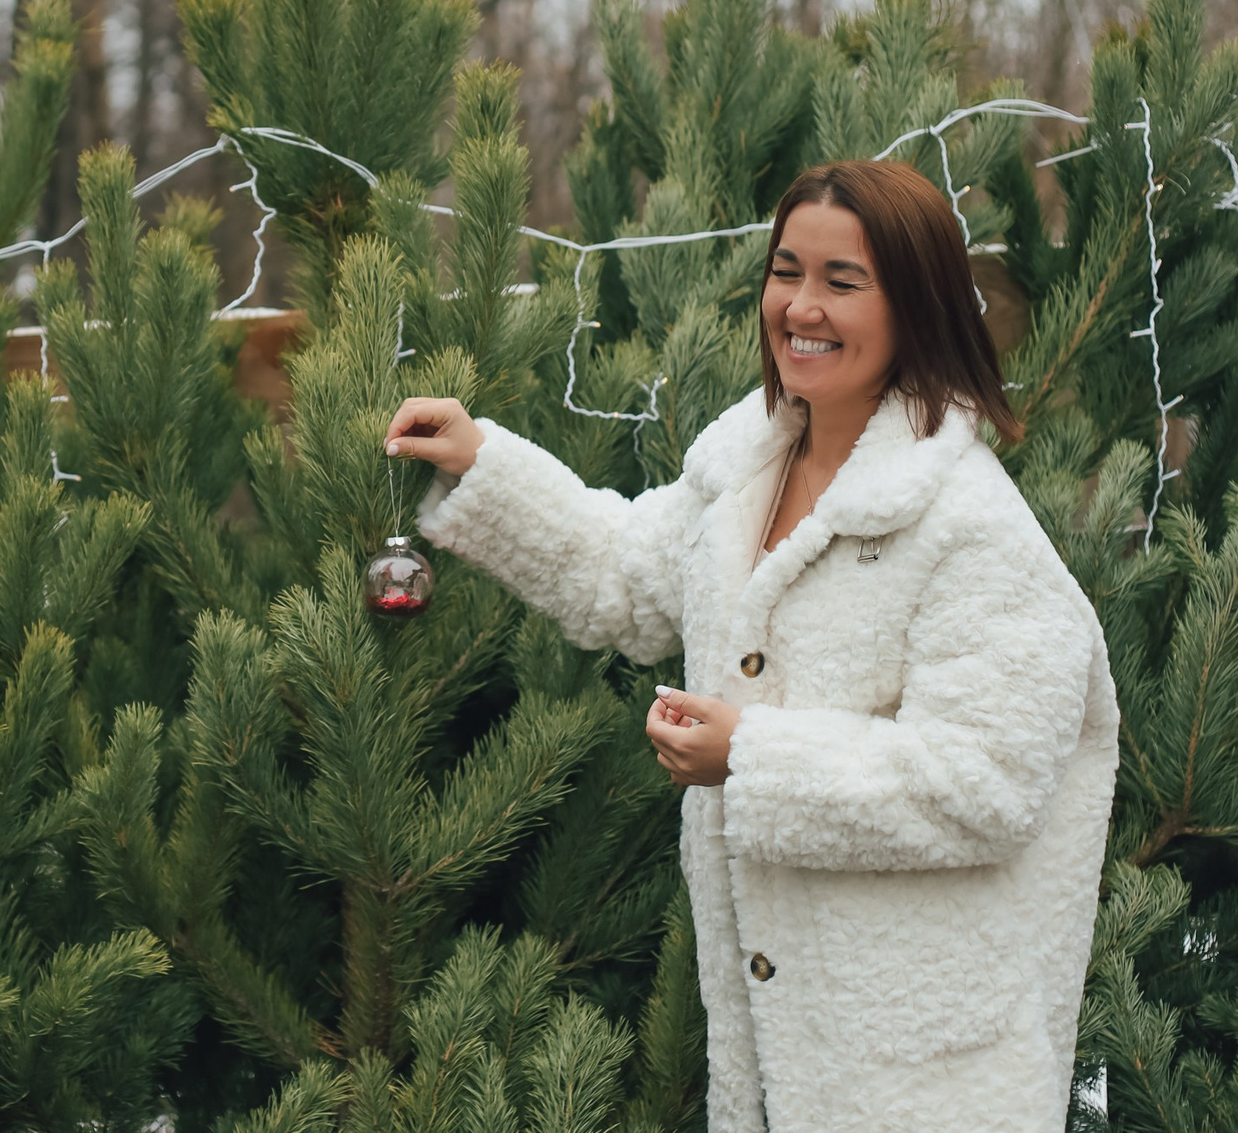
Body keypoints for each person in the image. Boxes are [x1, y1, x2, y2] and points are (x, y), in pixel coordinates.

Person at [385, 159, 1117, 1133]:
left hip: (921, 1063)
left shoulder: (971, 525)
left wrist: (752, 756)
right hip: (781, 1042)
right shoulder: (747, 462)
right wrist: (485, 461)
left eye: (841, 281)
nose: (801, 307)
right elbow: (622, 578)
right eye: (786, 271)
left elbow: (987, 784)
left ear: (917, 305)